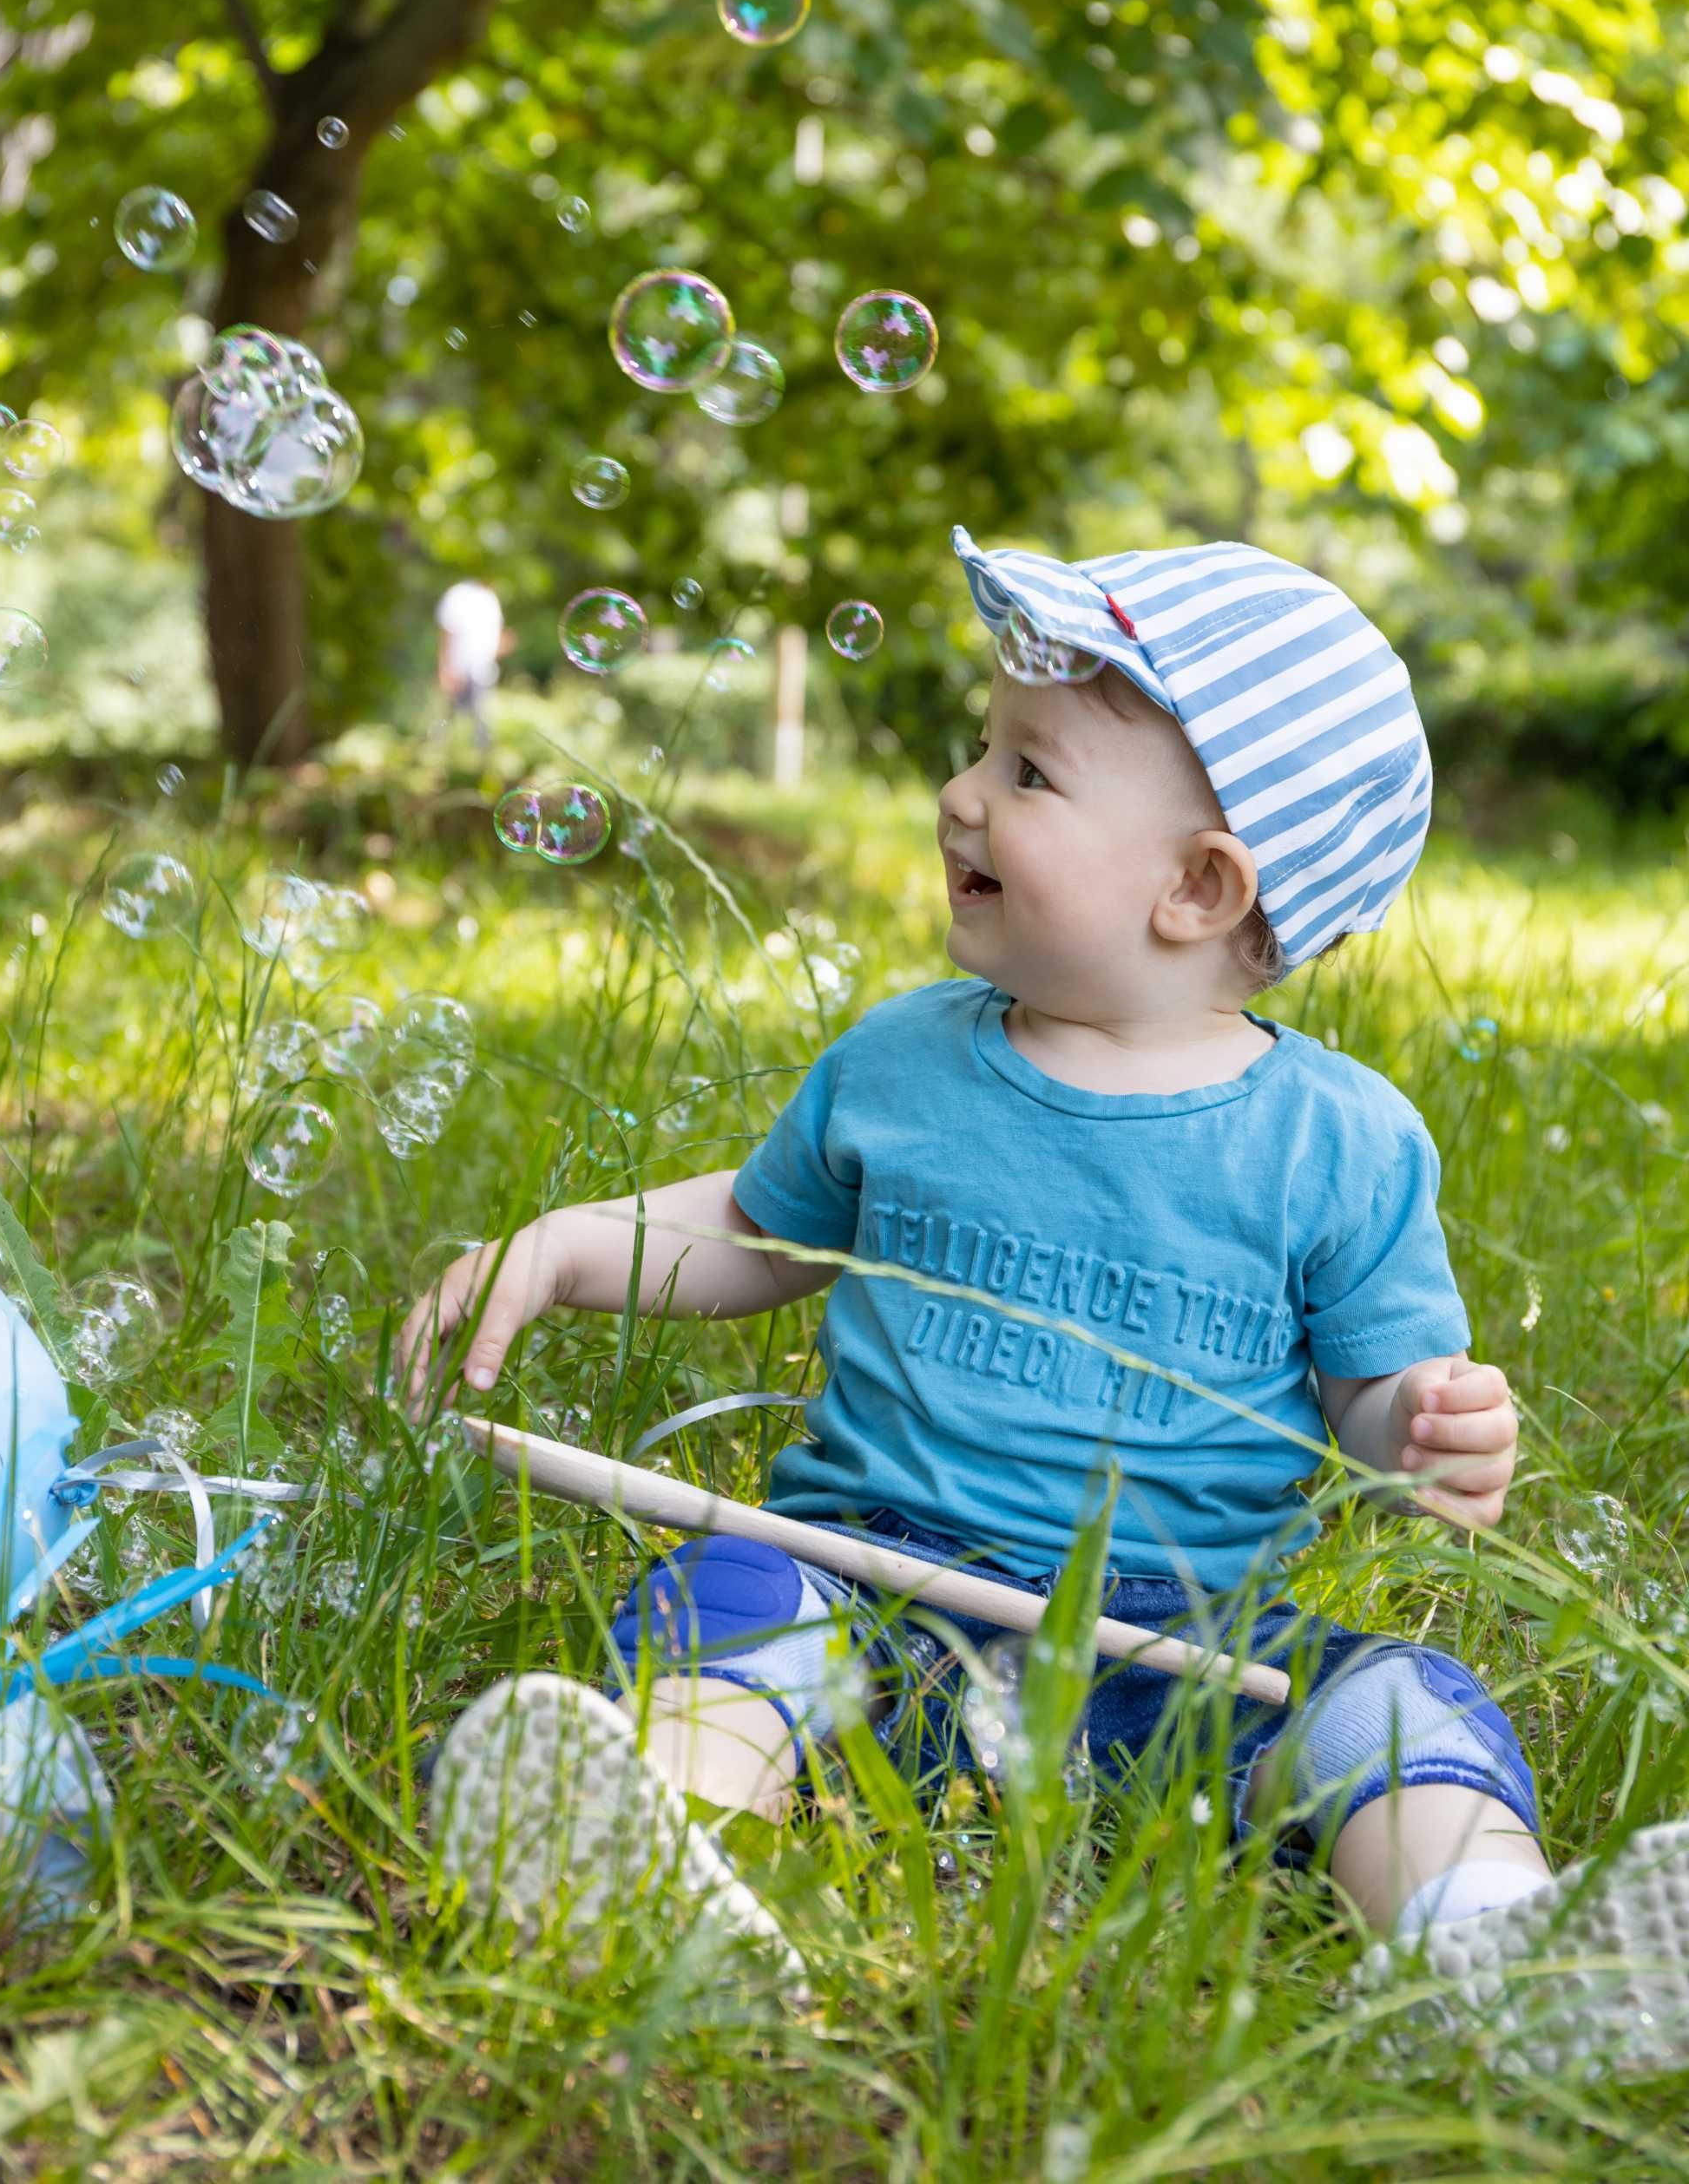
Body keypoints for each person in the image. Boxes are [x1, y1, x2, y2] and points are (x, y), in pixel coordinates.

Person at [397, 522, 1689, 2079]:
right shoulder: (902, 1065)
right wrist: (565, 1249)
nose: (961, 794)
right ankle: (660, 1855)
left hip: (1192, 1655)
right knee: (728, 1595)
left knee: (1400, 1701)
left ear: (1201, 887)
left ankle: (1481, 1944)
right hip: (866, 1592)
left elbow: (1370, 1402)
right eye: (979, 750)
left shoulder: (1340, 1144)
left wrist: (1423, 1433)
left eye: (1028, 771)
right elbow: (758, 1232)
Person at [434, 577, 512, 750]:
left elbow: (492, 638)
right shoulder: (457, 594)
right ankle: (440, 757)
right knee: (447, 721)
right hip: (458, 669)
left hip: (483, 671)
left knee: (481, 722)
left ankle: (477, 765)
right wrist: (445, 669)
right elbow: (446, 633)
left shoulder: (491, 598)